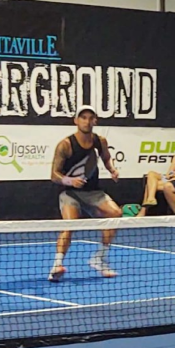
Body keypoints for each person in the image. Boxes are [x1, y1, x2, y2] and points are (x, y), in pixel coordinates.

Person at [48, 107, 121, 281]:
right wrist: (69, 181)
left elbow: (106, 157)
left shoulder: (100, 141)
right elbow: (54, 175)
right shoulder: (65, 145)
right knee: (70, 225)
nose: (87, 121)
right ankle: (56, 266)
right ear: (76, 121)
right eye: (83, 118)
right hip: (70, 193)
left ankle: (99, 258)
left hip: (93, 192)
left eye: (91, 118)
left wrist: (112, 169)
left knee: (116, 214)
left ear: (95, 121)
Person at [137, 137, 175, 214]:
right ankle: (151, 198)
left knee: (150, 186)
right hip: (172, 176)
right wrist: (170, 174)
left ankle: (143, 210)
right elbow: (170, 170)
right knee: (151, 174)